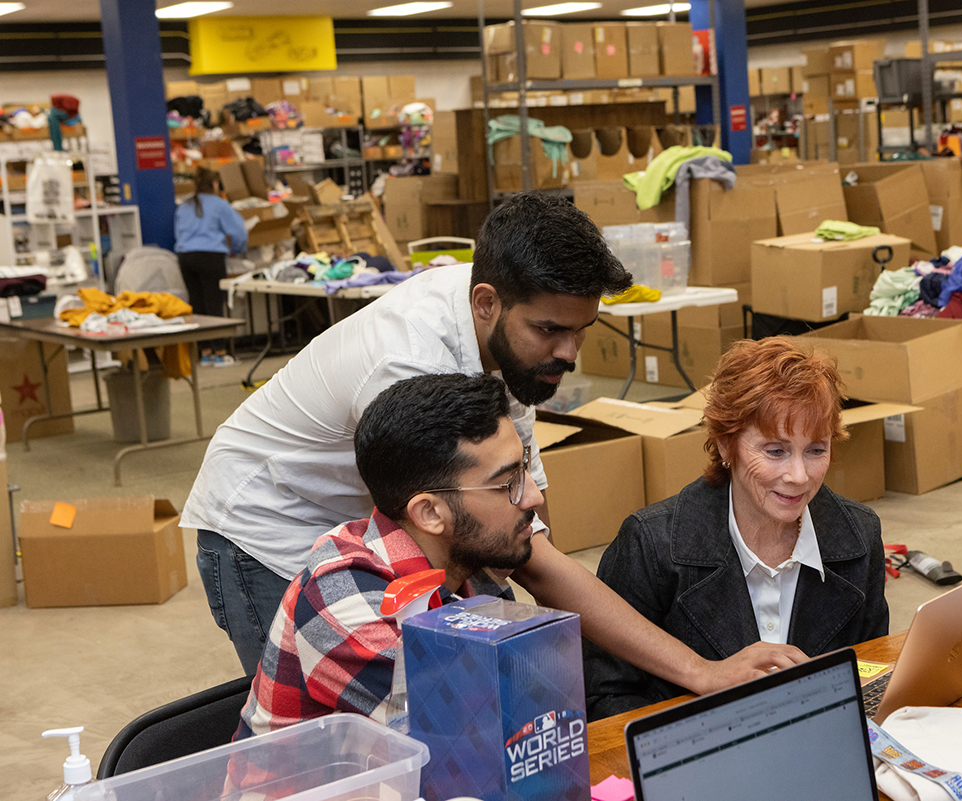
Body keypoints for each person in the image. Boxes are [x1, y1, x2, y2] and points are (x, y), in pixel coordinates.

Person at [182, 192, 802, 694]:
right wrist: (698, 670)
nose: (568, 352)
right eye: (551, 330)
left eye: (583, 330)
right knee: (363, 709)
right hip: (269, 520)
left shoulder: (504, 327)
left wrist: (554, 626)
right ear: (487, 304)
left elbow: (530, 520)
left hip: (385, 514)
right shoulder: (412, 362)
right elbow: (528, 558)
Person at [584, 338, 890, 719]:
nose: (798, 476)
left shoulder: (860, 536)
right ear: (725, 445)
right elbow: (604, 701)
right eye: (775, 451)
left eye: (816, 450)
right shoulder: (651, 544)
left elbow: (872, 668)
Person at [234, 372, 540, 738]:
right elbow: (477, 733)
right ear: (429, 513)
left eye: (524, 468)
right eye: (508, 483)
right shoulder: (341, 596)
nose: (533, 496)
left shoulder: (470, 565)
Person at [174, 166, 247, 365]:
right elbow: (240, 232)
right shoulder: (219, 205)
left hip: (185, 257)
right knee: (214, 303)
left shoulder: (185, 206)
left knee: (197, 305)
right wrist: (237, 250)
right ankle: (221, 352)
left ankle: (205, 352)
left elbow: (178, 233)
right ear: (214, 184)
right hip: (210, 256)